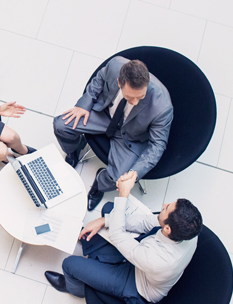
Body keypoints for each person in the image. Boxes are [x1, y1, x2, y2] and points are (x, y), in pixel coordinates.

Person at [44, 171, 202, 304]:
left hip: (136, 285)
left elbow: (117, 235)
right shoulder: (188, 232)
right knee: (110, 210)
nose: (164, 204)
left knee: (70, 264)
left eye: (166, 208)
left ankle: (76, 289)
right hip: (145, 258)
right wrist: (104, 220)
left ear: (167, 228)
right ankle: (96, 254)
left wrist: (124, 194)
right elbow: (148, 222)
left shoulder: (159, 261)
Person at [53, 57, 173, 211]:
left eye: (140, 97)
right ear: (119, 82)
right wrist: (85, 104)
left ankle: (99, 183)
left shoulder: (163, 107)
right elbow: (100, 79)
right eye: (129, 97)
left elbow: (158, 145)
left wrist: (135, 174)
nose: (135, 102)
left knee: (118, 179)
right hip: (104, 116)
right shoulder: (115, 65)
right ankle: (74, 148)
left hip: (131, 136)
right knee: (61, 125)